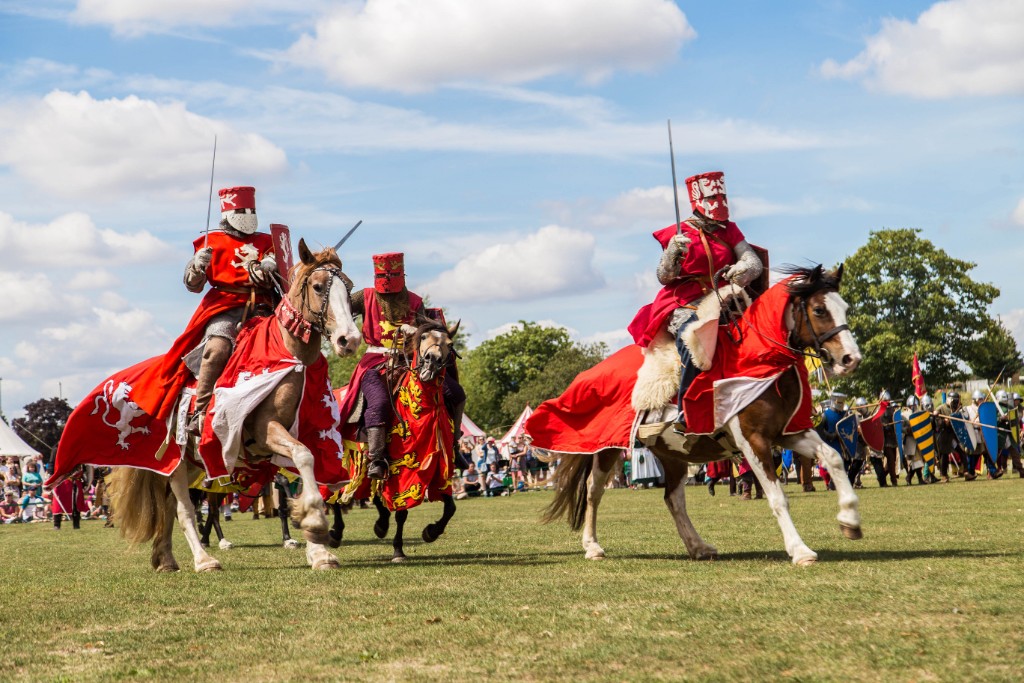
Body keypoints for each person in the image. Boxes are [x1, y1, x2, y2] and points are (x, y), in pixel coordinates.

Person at [128, 186, 278, 435]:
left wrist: (273, 265)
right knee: (217, 350)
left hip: (264, 308)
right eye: (242, 210)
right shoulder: (211, 243)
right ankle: (201, 411)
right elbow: (192, 285)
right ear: (229, 211)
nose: (248, 213)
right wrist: (197, 267)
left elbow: (286, 276)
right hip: (225, 307)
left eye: (251, 209)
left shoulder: (266, 242)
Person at [626, 171, 763, 430]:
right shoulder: (679, 233)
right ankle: (686, 409)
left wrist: (742, 269)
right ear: (699, 199)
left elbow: (753, 262)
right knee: (692, 336)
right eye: (713, 196)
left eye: (722, 195)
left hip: (724, 298)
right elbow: (664, 277)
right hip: (685, 302)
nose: (719, 200)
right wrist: (672, 255)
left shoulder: (730, 230)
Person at [337, 252, 466, 480]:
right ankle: (376, 459)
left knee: (454, 393)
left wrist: (416, 331)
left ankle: (454, 444)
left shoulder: (415, 301)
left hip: (410, 363)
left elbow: (430, 334)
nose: (388, 279)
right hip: (375, 364)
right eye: (384, 274)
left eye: (393, 274)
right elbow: (340, 312)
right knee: (379, 402)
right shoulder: (365, 296)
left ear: (402, 274)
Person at [933, 392, 961, 483]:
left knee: (961, 451)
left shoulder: (956, 408)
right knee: (944, 455)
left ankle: (965, 472)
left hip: (953, 435)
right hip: (943, 435)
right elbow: (936, 422)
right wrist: (944, 422)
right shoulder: (941, 408)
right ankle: (944, 475)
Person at [901, 396, 926, 485]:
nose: (913, 407)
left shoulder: (918, 413)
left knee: (918, 461)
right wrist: (907, 430)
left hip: (918, 439)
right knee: (916, 460)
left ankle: (910, 478)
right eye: (912, 405)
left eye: (915, 405)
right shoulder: (903, 415)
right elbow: (900, 428)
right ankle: (915, 479)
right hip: (910, 440)